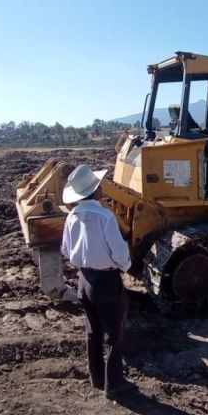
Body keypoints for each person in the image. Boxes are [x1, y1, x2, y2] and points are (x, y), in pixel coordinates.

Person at [60, 164, 134, 400]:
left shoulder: (72, 216)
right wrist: (126, 267)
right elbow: (119, 252)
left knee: (93, 332)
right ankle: (114, 385)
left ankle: (97, 378)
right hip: (106, 282)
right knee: (114, 335)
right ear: (97, 191)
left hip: (84, 279)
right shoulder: (105, 216)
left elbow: (66, 250)